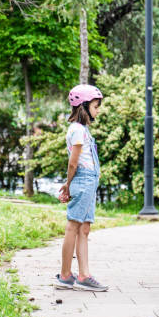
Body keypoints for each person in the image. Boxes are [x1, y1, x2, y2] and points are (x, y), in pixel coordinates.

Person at [55, 84, 109, 292]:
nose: (97, 110)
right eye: (95, 106)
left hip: (89, 181)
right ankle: (66, 274)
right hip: (83, 180)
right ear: (83, 107)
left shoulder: (82, 130)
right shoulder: (77, 130)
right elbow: (73, 163)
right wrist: (68, 185)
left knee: (84, 229)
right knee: (73, 226)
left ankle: (83, 275)